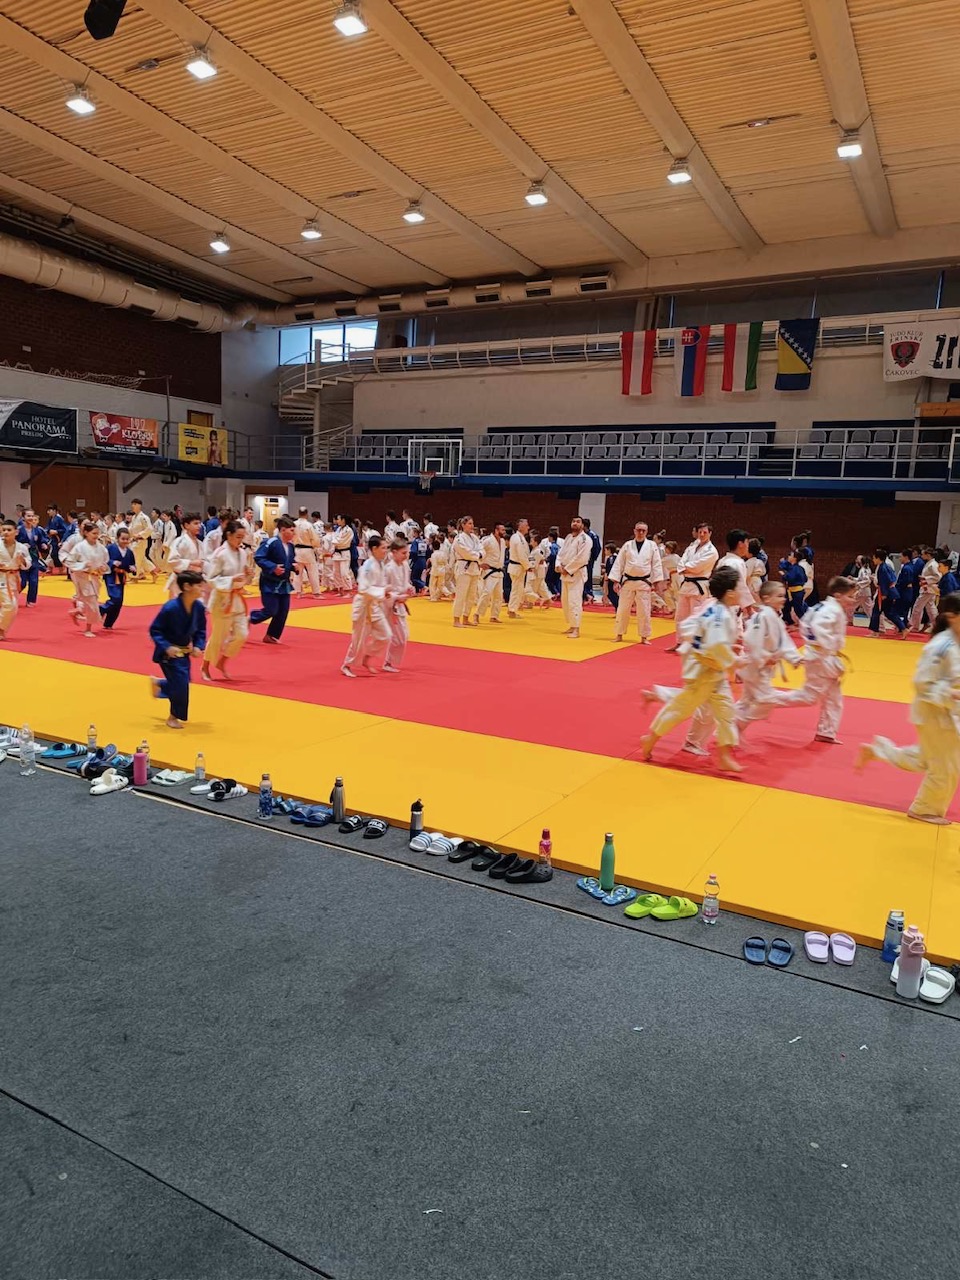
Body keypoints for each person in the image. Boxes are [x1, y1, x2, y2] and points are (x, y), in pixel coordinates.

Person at [856, 592, 960, 825]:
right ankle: (925, 809)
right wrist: (950, 693)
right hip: (934, 713)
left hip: (946, 712)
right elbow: (922, 683)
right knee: (945, 765)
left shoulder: (955, 642)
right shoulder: (940, 646)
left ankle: (879, 750)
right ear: (952, 616)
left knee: (926, 758)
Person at [639, 565, 742, 774]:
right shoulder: (719, 614)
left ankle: (724, 756)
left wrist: (727, 651)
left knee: (726, 712)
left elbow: (695, 630)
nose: (743, 591)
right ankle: (650, 739)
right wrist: (735, 661)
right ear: (730, 593)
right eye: (740, 587)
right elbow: (715, 645)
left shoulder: (717, 608)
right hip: (703, 671)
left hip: (714, 671)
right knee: (681, 709)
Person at [777, 575, 858, 743]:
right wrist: (827, 648)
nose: (853, 600)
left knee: (833, 698)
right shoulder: (832, 610)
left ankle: (826, 732)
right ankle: (766, 698)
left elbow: (805, 624)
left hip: (821, 655)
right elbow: (816, 627)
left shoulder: (821, 606)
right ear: (838, 595)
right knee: (809, 697)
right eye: (850, 596)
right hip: (821, 658)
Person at [734, 581, 802, 733]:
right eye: (779, 596)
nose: (783, 599)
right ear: (767, 598)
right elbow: (750, 639)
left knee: (746, 701)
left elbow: (783, 640)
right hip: (756, 666)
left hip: (760, 667)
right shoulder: (763, 616)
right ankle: (736, 726)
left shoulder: (774, 616)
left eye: (783, 596)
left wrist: (794, 658)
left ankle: (727, 728)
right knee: (767, 701)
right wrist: (765, 657)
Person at [149, 572, 206, 729]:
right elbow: (155, 630)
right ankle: (173, 717)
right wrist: (167, 646)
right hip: (168, 654)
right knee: (181, 684)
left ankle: (160, 684)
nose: (202, 588)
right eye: (199, 585)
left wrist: (198, 645)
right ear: (187, 586)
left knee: (181, 681)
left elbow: (200, 630)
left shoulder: (198, 607)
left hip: (184, 652)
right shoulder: (171, 608)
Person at [202, 519, 251, 681]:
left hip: (236, 599)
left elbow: (243, 578)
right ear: (229, 535)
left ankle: (222, 662)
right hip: (221, 601)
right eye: (238, 537)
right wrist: (231, 580)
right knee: (218, 637)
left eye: (242, 537)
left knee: (242, 635)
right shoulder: (220, 554)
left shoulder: (242, 553)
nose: (240, 540)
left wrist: (248, 575)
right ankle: (205, 666)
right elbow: (211, 579)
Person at [341, 534, 391, 677]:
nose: (385, 551)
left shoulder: (381, 564)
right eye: (383, 548)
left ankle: (367, 656)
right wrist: (382, 592)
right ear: (374, 549)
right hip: (363, 604)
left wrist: (386, 592)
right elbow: (363, 588)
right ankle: (347, 665)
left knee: (386, 635)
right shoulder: (367, 566)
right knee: (359, 639)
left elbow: (381, 586)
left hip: (374, 605)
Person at [609, 520, 663, 644]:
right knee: (622, 610)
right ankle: (619, 634)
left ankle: (644, 636)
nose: (641, 532)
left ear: (646, 532)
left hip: (644, 582)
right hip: (627, 582)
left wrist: (656, 582)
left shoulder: (652, 546)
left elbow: (656, 563)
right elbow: (619, 563)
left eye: (643, 530)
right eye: (638, 530)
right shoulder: (627, 545)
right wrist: (616, 581)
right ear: (634, 531)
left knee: (644, 610)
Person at [667, 523, 719, 650]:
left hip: (699, 586)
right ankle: (680, 642)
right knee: (680, 616)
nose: (702, 534)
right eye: (700, 532)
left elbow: (698, 566)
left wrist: (685, 568)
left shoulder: (712, 551)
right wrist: (684, 568)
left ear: (710, 533)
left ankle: (694, 645)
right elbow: (681, 562)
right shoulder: (692, 546)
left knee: (696, 616)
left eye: (705, 532)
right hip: (686, 585)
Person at [250, 515, 300, 644]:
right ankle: (248, 618)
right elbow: (259, 557)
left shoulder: (290, 546)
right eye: (291, 530)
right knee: (271, 610)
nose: (293, 533)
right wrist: (273, 567)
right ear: (283, 530)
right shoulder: (271, 542)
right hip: (269, 582)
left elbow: (288, 562)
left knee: (283, 611)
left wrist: (294, 567)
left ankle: (271, 635)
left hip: (284, 583)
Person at [63, 521, 109, 637]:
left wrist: (103, 568)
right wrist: (83, 564)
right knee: (92, 603)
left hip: (95, 577)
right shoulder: (79, 547)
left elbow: (105, 560)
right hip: (83, 577)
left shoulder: (101, 548)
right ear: (86, 533)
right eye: (94, 533)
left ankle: (76, 612)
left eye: (97, 533)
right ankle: (88, 629)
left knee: (91, 601)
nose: (96, 536)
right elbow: (69, 561)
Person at [557, 516, 593, 639]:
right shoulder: (568, 537)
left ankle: (576, 629)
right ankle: (572, 626)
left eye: (578, 522)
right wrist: (558, 565)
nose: (575, 523)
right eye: (573, 521)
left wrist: (567, 569)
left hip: (576, 573)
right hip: (565, 574)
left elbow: (581, 558)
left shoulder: (585, 539)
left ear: (582, 525)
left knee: (574, 601)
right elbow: (560, 554)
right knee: (566, 602)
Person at [384, 537, 415, 672]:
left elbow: (404, 583)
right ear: (394, 552)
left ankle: (389, 662)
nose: (406, 555)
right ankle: (388, 663)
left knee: (403, 635)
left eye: (407, 552)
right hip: (390, 606)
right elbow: (384, 591)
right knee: (399, 637)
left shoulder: (405, 565)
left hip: (399, 604)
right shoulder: (388, 568)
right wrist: (397, 597)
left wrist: (409, 587)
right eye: (403, 553)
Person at [0, 518, 31, 641]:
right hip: (1, 576)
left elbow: (28, 564)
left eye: (9, 530)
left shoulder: (22, 547)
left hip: (14, 578)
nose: (6, 532)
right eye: (3, 530)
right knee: (9, 604)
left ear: (16, 532)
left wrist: (22, 560)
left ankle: (2, 629)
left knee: (13, 607)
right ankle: (1, 629)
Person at [100, 528, 136, 631]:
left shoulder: (129, 552)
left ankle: (108, 623)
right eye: (123, 539)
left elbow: (131, 564)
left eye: (127, 539)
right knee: (116, 598)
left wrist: (133, 568)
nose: (125, 541)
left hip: (121, 577)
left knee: (119, 603)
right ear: (117, 538)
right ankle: (100, 610)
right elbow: (103, 560)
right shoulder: (110, 548)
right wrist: (112, 562)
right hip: (111, 575)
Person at [451, 515, 482, 627]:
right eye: (469, 523)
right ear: (463, 525)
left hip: (474, 567)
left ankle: (466, 617)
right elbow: (465, 552)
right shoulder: (459, 538)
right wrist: (477, 555)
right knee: (461, 594)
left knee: (472, 596)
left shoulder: (475, 538)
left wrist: (479, 555)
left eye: (472, 523)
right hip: (463, 567)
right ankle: (456, 619)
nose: (472, 526)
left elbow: (482, 549)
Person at [166, 513, 206, 598]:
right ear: (186, 525)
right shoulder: (179, 541)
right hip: (180, 583)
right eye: (195, 523)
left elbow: (203, 562)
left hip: (196, 582)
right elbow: (172, 561)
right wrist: (191, 563)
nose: (199, 526)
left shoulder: (200, 543)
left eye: (199, 523)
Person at [868, 547, 906, 637]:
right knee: (889, 613)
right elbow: (892, 578)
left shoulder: (882, 568)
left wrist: (884, 594)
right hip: (889, 592)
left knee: (876, 611)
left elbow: (884, 582)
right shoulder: (886, 566)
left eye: (874, 558)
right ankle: (903, 628)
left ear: (878, 558)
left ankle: (875, 632)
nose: (873, 560)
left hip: (885, 593)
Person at [16, 510, 49, 607]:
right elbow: (13, 543)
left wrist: (43, 544)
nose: (30, 518)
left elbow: (41, 540)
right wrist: (21, 546)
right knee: (22, 582)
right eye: (28, 516)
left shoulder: (37, 530)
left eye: (32, 516)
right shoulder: (18, 530)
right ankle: (11, 596)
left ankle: (31, 600)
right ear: (23, 517)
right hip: (22, 558)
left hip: (34, 557)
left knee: (34, 581)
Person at [475, 521, 507, 624]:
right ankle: (477, 614)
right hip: (489, 571)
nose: (504, 531)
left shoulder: (502, 541)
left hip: (499, 571)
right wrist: (480, 564)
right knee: (487, 593)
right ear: (496, 530)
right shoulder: (487, 541)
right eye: (502, 530)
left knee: (498, 595)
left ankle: (494, 616)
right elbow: (478, 552)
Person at [293, 506, 322, 599]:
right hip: (307, 550)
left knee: (298, 572)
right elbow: (315, 539)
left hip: (296, 550)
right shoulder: (309, 525)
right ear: (307, 514)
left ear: (298, 514)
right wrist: (315, 546)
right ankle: (316, 593)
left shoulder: (293, 524)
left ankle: (298, 592)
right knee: (312, 571)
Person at [910, 547, 940, 632]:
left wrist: (925, 579)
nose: (921, 556)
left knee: (917, 607)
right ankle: (937, 626)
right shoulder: (930, 563)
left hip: (928, 588)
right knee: (931, 608)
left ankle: (914, 626)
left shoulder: (933, 564)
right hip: (927, 588)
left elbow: (938, 576)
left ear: (928, 555)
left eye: (923, 554)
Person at [507, 518, 532, 617]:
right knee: (516, 590)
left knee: (517, 589)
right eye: (526, 525)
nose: (528, 527)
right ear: (520, 526)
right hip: (517, 567)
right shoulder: (517, 538)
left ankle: (512, 609)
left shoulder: (519, 537)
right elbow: (521, 554)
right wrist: (528, 566)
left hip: (518, 567)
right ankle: (512, 610)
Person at [127, 498, 154, 580]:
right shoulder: (134, 517)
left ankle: (135, 576)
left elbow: (149, 529)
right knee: (141, 559)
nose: (133, 506)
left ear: (139, 505)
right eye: (132, 504)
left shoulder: (144, 517)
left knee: (136, 560)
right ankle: (153, 573)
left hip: (141, 541)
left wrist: (139, 535)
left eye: (135, 504)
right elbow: (131, 529)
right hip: (134, 541)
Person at [779, 550, 808, 627]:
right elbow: (784, 566)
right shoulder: (796, 567)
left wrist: (783, 575)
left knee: (798, 609)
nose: (788, 557)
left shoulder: (795, 568)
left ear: (794, 558)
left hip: (796, 592)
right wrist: (782, 562)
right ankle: (789, 621)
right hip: (792, 591)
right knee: (786, 607)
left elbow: (790, 578)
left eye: (790, 555)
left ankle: (805, 624)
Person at [331, 514, 355, 594]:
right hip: (337, 553)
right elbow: (334, 538)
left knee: (344, 573)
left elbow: (342, 541)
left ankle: (348, 591)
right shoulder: (338, 529)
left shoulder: (349, 530)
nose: (337, 521)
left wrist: (334, 541)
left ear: (343, 520)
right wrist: (335, 541)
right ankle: (340, 589)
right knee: (336, 572)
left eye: (338, 519)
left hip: (344, 552)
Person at [582, 516, 601, 603]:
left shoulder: (593, 535)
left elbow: (597, 548)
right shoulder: (583, 535)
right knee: (582, 577)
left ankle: (589, 594)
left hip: (588, 560)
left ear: (584, 526)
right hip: (582, 560)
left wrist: (592, 558)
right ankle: (584, 594)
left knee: (588, 577)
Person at [45, 504, 69, 573]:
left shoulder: (59, 519)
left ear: (54, 511)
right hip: (53, 540)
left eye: (49, 510)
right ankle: (58, 568)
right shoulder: (51, 519)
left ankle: (62, 568)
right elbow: (48, 528)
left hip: (59, 540)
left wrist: (56, 531)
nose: (48, 512)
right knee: (53, 554)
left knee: (57, 554)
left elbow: (65, 529)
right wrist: (47, 531)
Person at [660, 540, 681, 615]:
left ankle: (677, 612)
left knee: (677, 595)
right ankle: (674, 609)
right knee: (667, 594)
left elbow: (657, 563)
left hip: (677, 577)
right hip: (675, 576)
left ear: (669, 549)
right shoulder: (676, 556)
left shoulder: (669, 558)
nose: (665, 549)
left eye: (666, 548)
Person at [745, 538, 766, 606]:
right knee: (758, 599)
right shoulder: (759, 561)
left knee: (753, 600)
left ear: (749, 553)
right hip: (759, 581)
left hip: (751, 582)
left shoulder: (749, 562)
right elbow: (764, 572)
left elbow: (747, 575)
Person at [601, 542, 618, 609]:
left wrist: (606, 580)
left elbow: (609, 570)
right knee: (613, 593)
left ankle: (618, 607)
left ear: (609, 550)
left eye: (605, 550)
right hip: (616, 578)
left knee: (611, 594)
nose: (605, 552)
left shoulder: (610, 558)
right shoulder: (616, 557)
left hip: (612, 579)